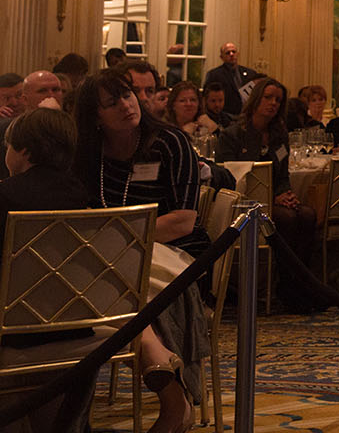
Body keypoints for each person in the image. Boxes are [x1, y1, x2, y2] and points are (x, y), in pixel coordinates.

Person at [1, 107, 195, 433]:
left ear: (22, 150)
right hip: (80, 328)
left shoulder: (5, 196)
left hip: (14, 334)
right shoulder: (83, 197)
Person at [73, 70, 208, 427]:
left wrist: (120, 238)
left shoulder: (169, 142)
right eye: (111, 102)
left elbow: (183, 221)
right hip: (109, 254)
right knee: (85, 280)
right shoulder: (89, 154)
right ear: (94, 116)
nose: (126, 105)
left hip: (173, 251)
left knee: (105, 283)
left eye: (127, 95)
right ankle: (161, 368)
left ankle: (169, 390)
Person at [215, 77, 321, 311]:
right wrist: (273, 198)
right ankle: (285, 289)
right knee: (288, 218)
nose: (273, 103)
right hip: (244, 204)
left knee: (307, 214)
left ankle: (299, 286)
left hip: (275, 200)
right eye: (268, 98)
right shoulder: (234, 134)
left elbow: (282, 175)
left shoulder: (279, 135)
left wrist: (287, 194)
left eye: (278, 100)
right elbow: (228, 178)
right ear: (256, 99)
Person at [201, 43, 253, 116]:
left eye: (233, 52)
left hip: (246, 115)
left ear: (238, 54)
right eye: (227, 53)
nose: (231, 54)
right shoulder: (214, 75)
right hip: (225, 115)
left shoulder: (250, 73)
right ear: (222, 57)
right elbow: (206, 97)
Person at [166, 81, 218, 148]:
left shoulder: (204, 128)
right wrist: (184, 134)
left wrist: (215, 129)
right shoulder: (166, 129)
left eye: (193, 100)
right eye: (183, 100)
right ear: (173, 105)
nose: (189, 104)